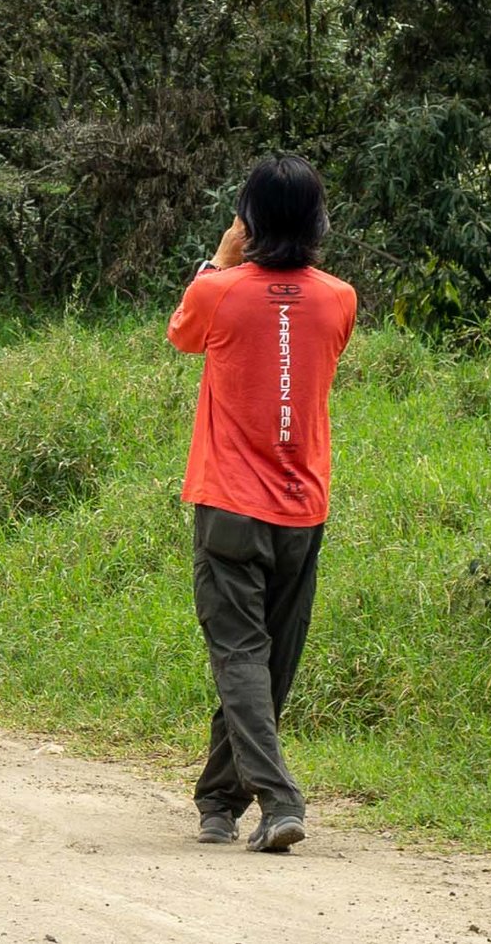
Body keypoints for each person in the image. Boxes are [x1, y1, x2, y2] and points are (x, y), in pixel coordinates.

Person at [165, 153, 356, 854]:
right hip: (303, 506)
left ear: (246, 220)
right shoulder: (340, 298)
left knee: (243, 658)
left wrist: (217, 260)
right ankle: (219, 803)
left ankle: (277, 799)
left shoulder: (219, 293)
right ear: (316, 221)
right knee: (267, 665)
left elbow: (181, 334)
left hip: (228, 507)